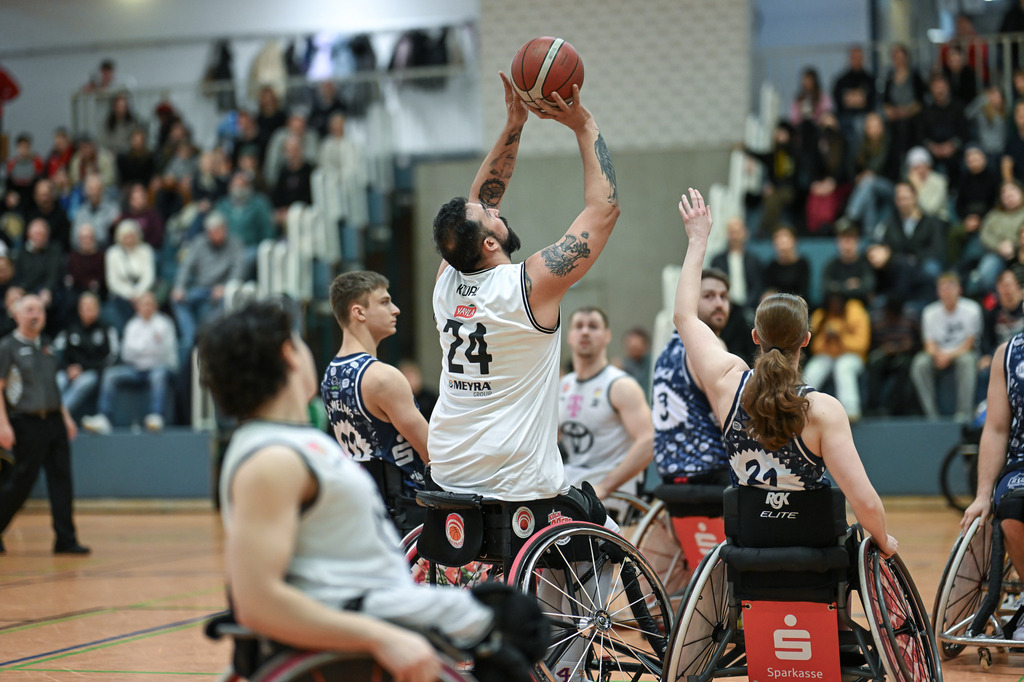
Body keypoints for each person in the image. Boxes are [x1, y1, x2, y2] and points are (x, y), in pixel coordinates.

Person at [199, 301, 546, 682]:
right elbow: (256, 602)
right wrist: (382, 639)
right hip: (369, 614)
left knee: (513, 612)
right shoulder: (271, 461)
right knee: (516, 624)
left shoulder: (294, 442)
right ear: (288, 355)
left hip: (382, 599)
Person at [673, 187, 897, 558]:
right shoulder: (823, 410)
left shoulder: (728, 382)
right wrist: (885, 541)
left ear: (755, 337)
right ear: (806, 339)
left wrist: (698, 240)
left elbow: (684, 316)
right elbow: (867, 505)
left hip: (750, 548)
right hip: (811, 554)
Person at [428, 73, 619, 506]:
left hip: (449, 470)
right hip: (515, 480)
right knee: (607, 541)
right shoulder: (529, 287)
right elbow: (603, 210)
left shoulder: (445, 284)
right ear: (491, 244)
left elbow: (478, 202)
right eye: (490, 215)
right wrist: (583, 123)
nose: (496, 209)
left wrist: (514, 123)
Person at [320, 271, 428, 505]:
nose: (396, 309)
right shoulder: (382, 377)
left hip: (361, 501)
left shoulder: (330, 375)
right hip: (406, 509)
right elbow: (432, 453)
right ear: (358, 312)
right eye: (385, 302)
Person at [0, 295, 88, 555]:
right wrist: (2, 425)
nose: (35, 314)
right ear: (17, 315)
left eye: (39, 309)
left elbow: (53, 388)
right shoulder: (7, 347)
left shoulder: (48, 346)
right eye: (29, 309)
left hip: (53, 420)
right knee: (20, 483)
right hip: (25, 421)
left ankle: (65, 539)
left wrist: (67, 418)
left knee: (62, 481)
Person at [962, 307, 1024, 641]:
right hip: (1021, 463)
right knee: (1012, 510)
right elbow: (997, 428)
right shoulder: (1009, 354)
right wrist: (983, 494)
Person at [558, 307, 653, 499]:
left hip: (612, 490)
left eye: (593, 326)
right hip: (572, 483)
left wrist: (604, 487)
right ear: (569, 336)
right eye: (579, 326)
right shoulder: (563, 385)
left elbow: (649, 441)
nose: (585, 331)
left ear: (607, 335)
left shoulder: (620, 385)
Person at [652, 268, 732, 485]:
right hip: (709, 472)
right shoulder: (708, 347)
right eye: (709, 296)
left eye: (724, 297)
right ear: (690, 301)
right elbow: (729, 419)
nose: (719, 303)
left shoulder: (667, 351)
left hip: (669, 476)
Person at [82, 291, 176, 434]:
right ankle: (104, 418)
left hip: (160, 368)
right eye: (143, 304)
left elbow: (165, 352)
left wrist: (141, 350)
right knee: (111, 375)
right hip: (136, 369)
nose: (147, 307)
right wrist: (150, 348)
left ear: (155, 306)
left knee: (158, 375)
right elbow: (127, 354)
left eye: (150, 304)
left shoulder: (164, 324)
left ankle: (157, 417)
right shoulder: (132, 325)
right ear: (138, 307)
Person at [910, 272, 983, 421]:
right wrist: (938, 355)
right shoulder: (929, 312)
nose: (947, 292)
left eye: (951, 287)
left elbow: (969, 344)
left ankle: (964, 414)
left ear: (959, 290)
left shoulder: (972, 309)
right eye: (943, 288)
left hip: (961, 352)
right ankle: (931, 415)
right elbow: (929, 344)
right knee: (920, 363)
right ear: (938, 292)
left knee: (967, 361)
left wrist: (949, 356)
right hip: (938, 354)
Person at [802, 292, 871, 422]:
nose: (835, 306)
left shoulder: (855, 311)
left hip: (852, 356)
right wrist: (826, 339)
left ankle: (851, 412)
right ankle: (799, 407)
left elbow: (862, 344)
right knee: (815, 368)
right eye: (832, 303)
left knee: (843, 366)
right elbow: (815, 348)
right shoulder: (821, 315)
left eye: (838, 302)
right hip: (827, 355)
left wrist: (841, 338)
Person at [54, 291, 118, 420]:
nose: (88, 310)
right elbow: (57, 353)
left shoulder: (107, 329)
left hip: (92, 372)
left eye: (91, 306)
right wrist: (68, 369)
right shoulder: (70, 329)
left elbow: (111, 358)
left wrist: (83, 368)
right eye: (85, 307)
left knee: (83, 382)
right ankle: (48, 412)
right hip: (69, 371)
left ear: (98, 308)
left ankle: (58, 417)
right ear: (79, 309)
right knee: (58, 380)